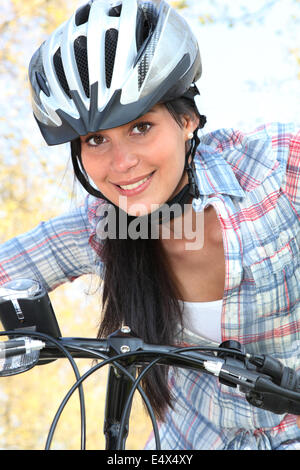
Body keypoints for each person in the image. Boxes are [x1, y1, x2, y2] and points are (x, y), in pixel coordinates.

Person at [1, 0, 300, 450]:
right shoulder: (100, 228)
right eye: (96, 139)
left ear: (187, 120)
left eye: (140, 127)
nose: (122, 164)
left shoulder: (273, 168)